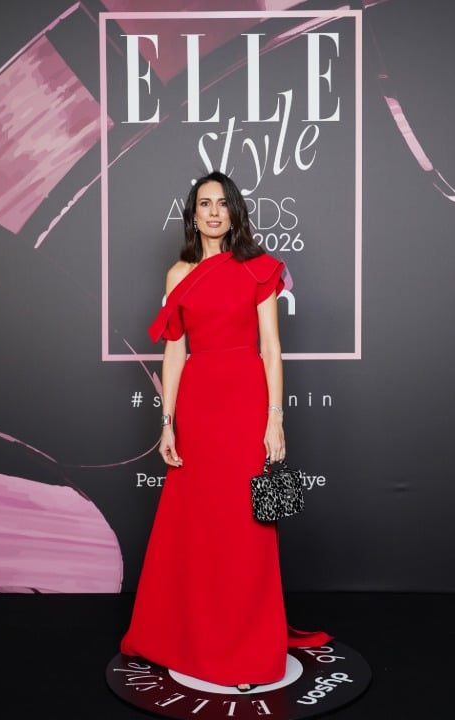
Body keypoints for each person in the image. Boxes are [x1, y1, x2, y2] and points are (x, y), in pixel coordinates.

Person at [120, 171, 332, 691]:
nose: (214, 212)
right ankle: (193, 638)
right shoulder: (178, 274)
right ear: (193, 216)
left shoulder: (258, 268)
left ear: (235, 212)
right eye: (204, 204)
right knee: (197, 527)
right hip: (198, 406)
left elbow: (271, 348)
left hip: (244, 403)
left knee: (244, 529)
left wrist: (275, 417)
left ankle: (246, 648)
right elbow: (174, 350)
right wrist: (167, 421)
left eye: (222, 203)